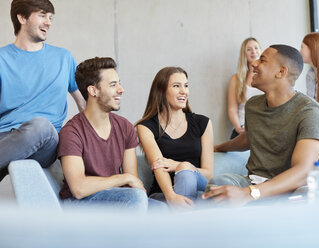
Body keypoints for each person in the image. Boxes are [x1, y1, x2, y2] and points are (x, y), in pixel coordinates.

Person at [202, 45, 319, 206]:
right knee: (218, 184)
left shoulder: (310, 112)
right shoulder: (253, 105)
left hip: (289, 190)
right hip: (253, 182)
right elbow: (248, 138)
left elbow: (303, 172)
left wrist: (249, 194)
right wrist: (219, 147)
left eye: (262, 60)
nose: (254, 63)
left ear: (281, 72)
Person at [0, 0, 86, 181]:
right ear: (22, 18)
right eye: (42, 15)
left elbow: (84, 103)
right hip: (5, 136)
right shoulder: (2, 59)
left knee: (41, 126)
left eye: (50, 17)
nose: (48, 22)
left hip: (46, 142)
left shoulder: (63, 57)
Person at [58, 57, 148, 212]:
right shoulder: (71, 132)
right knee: (135, 199)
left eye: (119, 83)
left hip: (117, 197)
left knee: (163, 209)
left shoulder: (125, 127)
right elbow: (78, 188)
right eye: (113, 85)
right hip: (80, 203)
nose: (121, 89)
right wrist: (122, 178)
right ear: (93, 90)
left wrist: (129, 181)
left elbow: (132, 181)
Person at [136, 67, 214, 209]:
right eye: (176, 86)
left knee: (185, 168)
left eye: (186, 85)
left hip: (198, 188)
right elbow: (159, 167)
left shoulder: (203, 123)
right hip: (165, 194)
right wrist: (171, 196)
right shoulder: (146, 127)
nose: (184, 91)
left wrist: (177, 165)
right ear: (161, 91)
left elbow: (208, 173)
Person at [228, 38, 263, 139]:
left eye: (256, 48)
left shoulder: (268, 77)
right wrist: (239, 128)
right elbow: (232, 109)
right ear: (244, 54)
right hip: (242, 131)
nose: (253, 51)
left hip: (263, 130)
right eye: (249, 49)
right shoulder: (236, 78)